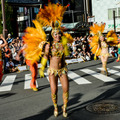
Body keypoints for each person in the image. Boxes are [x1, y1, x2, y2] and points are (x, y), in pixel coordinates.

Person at [39, 28, 69, 117]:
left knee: (66, 89)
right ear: (52, 36)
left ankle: (65, 107)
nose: (58, 36)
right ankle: (56, 107)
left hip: (62, 70)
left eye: (59, 34)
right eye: (55, 34)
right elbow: (45, 57)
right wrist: (42, 68)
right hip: (52, 71)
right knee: (54, 90)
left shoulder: (63, 45)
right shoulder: (49, 45)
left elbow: (64, 57)